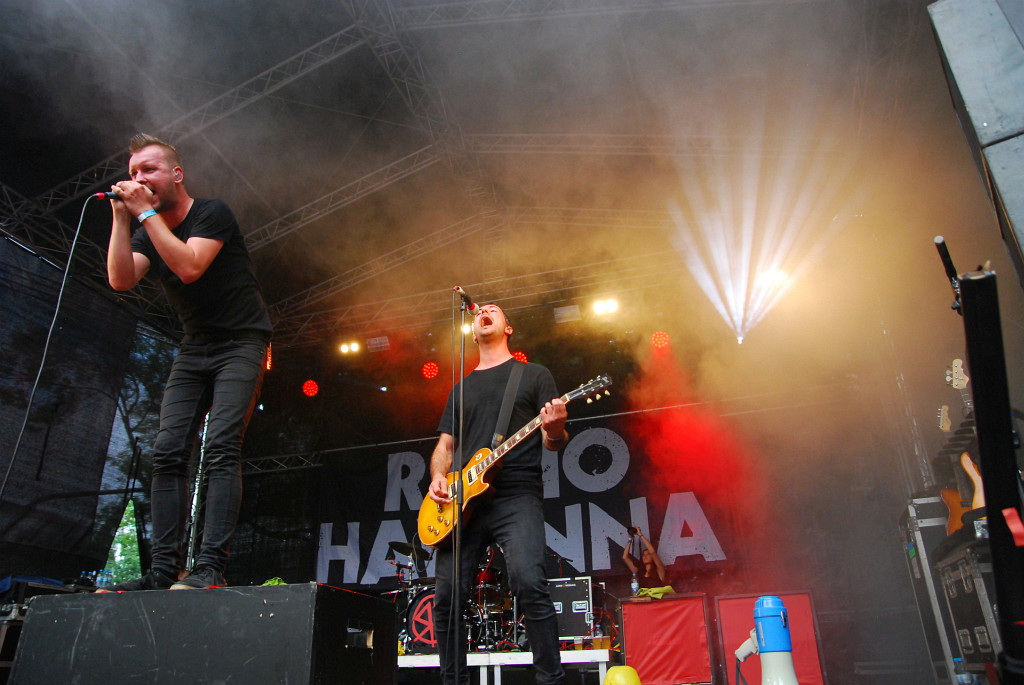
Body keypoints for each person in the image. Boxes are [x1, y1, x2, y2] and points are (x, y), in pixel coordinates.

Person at [103, 134, 272, 591]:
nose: (139, 178)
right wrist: (122, 219)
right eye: (133, 172)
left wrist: (145, 214)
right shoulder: (147, 228)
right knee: (167, 450)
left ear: (176, 174)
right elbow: (121, 279)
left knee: (220, 446)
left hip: (242, 341)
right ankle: (163, 570)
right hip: (195, 346)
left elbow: (189, 266)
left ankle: (210, 567)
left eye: (149, 170)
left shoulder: (211, 212)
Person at [428, 303, 568, 685]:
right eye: (480, 312)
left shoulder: (533, 375)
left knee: (528, 582)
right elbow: (445, 446)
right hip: (462, 501)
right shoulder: (460, 387)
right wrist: (438, 476)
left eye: (494, 310)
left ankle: (551, 680)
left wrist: (555, 429)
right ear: (473, 333)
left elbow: (553, 442)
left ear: (508, 328)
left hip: (516, 492)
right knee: (446, 598)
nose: (484, 311)